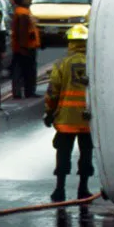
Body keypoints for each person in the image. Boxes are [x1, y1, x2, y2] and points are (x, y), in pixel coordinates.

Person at [44, 25, 94, 202]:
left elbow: (52, 92)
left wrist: (49, 112)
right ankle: (83, 189)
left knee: (63, 154)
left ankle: (60, 190)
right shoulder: (94, 64)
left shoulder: (61, 64)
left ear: (71, 42)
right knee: (86, 153)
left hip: (65, 120)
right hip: (88, 121)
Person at [10, 0, 41, 99]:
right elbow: (22, 32)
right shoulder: (22, 13)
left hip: (22, 46)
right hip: (27, 47)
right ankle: (29, 91)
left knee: (19, 70)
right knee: (28, 70)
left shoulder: (21, 11)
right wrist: (24, 47)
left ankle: (19, 92)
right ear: (22, 0)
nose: (29, 0)